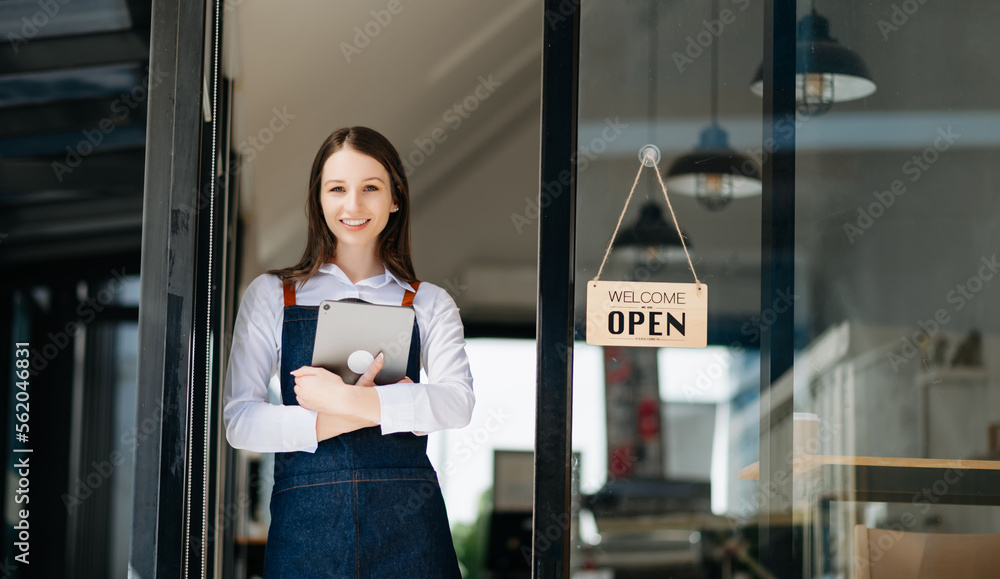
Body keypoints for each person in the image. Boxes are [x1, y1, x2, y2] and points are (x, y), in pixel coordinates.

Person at [223, 126, 474, 577]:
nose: (353, 205)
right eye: (337, 188)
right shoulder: (271, 296)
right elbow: (240, 423)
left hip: (411, 533)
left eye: (371, 189)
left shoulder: (429, 302)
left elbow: (457, 404)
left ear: (395, 198)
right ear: (319, 199)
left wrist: (351, 399)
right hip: (305, 532)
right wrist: (348, 414)